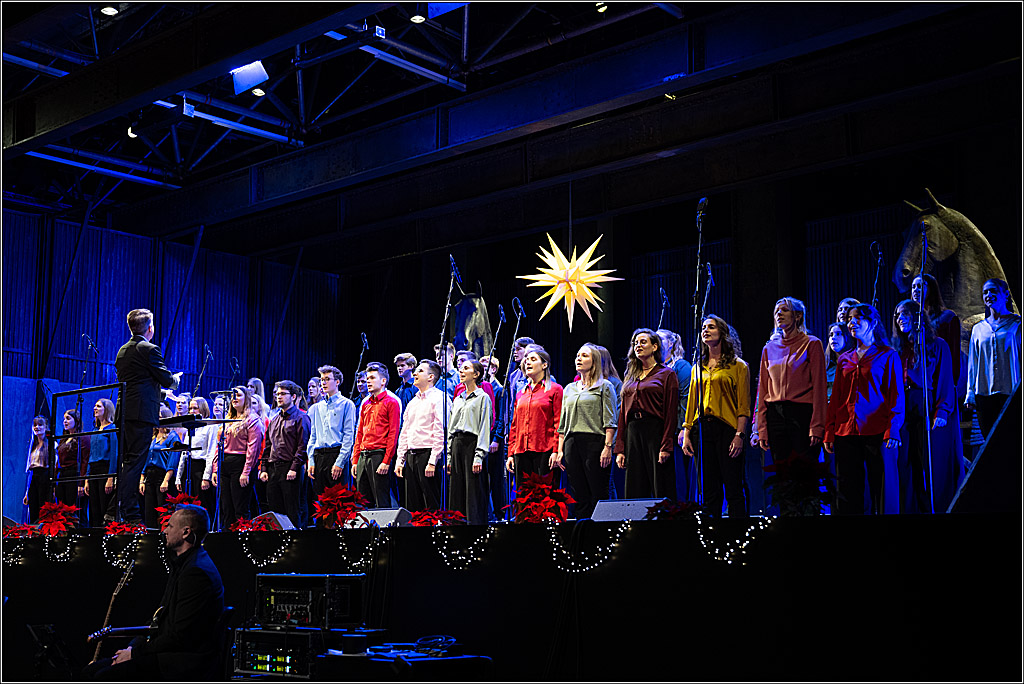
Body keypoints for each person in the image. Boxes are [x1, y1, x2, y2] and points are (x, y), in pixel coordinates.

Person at [83, 505, 224, 680]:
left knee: (101, 676)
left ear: (186, 532)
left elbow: (180, 636)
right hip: (169, 652)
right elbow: (159, 619)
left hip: (183, 660)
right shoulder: (183, 564)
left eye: (170, 526)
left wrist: (135, 654)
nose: (164, 530)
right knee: (90, 671)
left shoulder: (196, 572)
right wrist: (132, 649)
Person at [825, 303, 904, 515]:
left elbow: (895, 396)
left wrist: (893, 429)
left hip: (877, 431)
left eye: (858, 317)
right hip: (845, 432)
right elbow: (836, 400)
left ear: (873, 322)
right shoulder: (844, 359)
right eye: (850, 318)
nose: (852, 322)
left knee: (881, 490)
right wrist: (829, 431)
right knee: (849, 491)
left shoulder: (888, 355)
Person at [891, 300, 960, 513]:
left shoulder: (937, 345)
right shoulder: (895, 348)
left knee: (926, 463)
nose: (900, 319)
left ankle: (931, 509)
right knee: (904, 462)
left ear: (916, 316)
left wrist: (942, 409)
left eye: (904, 314)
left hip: (924, 403)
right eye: (897, 315)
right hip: (902, 404)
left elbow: (945, 379)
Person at [115, 308, 181, 524]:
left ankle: (115, 510)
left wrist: (161, 394)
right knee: (135, 462)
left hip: (124, 410)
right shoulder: (149, 349)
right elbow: (165, 378)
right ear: (150, 328)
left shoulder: (123, 350)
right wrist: (174, 382)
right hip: (141, 414)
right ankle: (131, 514)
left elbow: (138, 383)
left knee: (126, 462)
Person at [680, 318, 748, 515]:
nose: (705, 331)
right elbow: (692, 403)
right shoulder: (697, 368)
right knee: (709, 489)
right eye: (703, 328)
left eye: (711, 327)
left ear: (723, 333)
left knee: (733, 486)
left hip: (727, 428)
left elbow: (743, 405)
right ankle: (713, 535)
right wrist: (686, 433)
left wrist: (740, 435)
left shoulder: (738, 366)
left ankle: (738, 534)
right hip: (702, 429)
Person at [755, 298, 828, 467]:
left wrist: (817, 425)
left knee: (805, 474)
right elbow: (763, 390)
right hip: (776, 416)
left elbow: (819, 388)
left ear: (798, 316)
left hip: (802, 414)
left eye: (784, 310)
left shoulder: (812, 343)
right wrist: (762, 429)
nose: (779, 314)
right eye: (776, 311)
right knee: (782, 475)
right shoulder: (769, 349)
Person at [617, 328, 679, 501]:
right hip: (633, 432)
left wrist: (666, 445)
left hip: (655, 431)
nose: (638, 346)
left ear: (654, 347)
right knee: (635, 487)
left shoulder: (666, 374)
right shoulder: (630, 375)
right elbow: (623, 414)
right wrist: (620, 448)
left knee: (661, 485)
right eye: (635, 343)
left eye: (643, 342)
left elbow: (670, 412)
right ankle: (635, 527)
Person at [558, 344, 617, 519]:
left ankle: (601, 532)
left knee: (597, 490)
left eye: (584, 355)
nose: (579, 358)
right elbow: (563, 424)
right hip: (571, 443)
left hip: (594, 442)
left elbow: (610, 420)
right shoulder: (569, 388)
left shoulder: (605, 386)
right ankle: (581, 531)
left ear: (594, 361)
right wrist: (560, 450)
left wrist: (608, 446)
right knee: (578, 493)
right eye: (577, 355)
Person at [966, 278, 1022, 439]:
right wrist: (970, 393)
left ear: (1005, 295)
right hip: (984, 395)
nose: (988, 295)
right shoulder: (978, 329)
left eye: (993, 291)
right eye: (985, 292)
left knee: (1012, 440)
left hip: (1011, 393)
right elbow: (973, 364)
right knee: (990, 442)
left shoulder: (1017, 325)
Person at [506, 346, 563, 498]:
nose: (527, 362)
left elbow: (559, 423)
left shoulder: (555, 390)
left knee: (545, 497)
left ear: (544, 365)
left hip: (545, 450)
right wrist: (510, 454)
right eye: (526, 360)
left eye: (533, 359)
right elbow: (515, 425)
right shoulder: (521, 393)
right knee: (523, 497)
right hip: (521, 451)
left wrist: (556, 451)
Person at [396, 360, 449, 512]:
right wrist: (400, 461)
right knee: (413, 505)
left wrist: (433, 461)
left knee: (431, 503)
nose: (414, 374)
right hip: (412, 457)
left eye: (419, 371)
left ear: (431, 377)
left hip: (428, 454)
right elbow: (405, 432)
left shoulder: (439, 398)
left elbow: (440, 432)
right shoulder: (413, 402)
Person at [306, 365, 357, 517]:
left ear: (338, 381)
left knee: (339, 503)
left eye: (327, 379)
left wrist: (340, 462)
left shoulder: (346, 404)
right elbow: (313, 436)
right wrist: (311, 460)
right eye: (322, 380)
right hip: (319, 456)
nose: (323, 383)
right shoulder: (317, 407)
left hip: (336, 454)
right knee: (320, 504)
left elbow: (348, 436)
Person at [259, 381, 311, 528]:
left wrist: (294, 468)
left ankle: (295, 543)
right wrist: (264, 468)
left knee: (292, 509)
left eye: (283, 394)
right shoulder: (275, 419)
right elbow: (268, 446)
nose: (278, 397)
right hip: (273, 469)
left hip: (290, 468)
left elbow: (303, 446)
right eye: (277, 394)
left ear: (293, 396)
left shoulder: (301, 417)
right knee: (275, 511)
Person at [211, 386, 264, 529]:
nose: (234, 398)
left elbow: (253, 449)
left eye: (238, 395)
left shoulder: (252, 420)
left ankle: (241, 539)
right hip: (225, 463)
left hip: (241, 464)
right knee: (226, 507)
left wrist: (246, 471)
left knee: (240, 508)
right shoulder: (228, 418)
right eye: (233, 395)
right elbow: (218, 446)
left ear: (246, 398)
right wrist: (215, 469)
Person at [351, 362, 402, 508]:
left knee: (382, 498)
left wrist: (386, 460)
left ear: (383, 381)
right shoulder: (366, 403)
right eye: (367, 378)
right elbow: (360, 432)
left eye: (372, 378)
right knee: (362, 500)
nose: (368, 381)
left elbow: (393, 433)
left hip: (378, 454)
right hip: (363, 455)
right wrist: (355, 460)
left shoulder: (392, 402)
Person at [447, 359, 492, 524]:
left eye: (466, 368)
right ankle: (456, 528)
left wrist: (479, 455)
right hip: (457, 444)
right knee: (456, 491)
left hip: (472, 444)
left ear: (476, 374)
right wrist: (450, 456)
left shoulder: (482, 397)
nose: (461, 371)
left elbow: (484, 427)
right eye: (460, 368)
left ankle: (475, 527)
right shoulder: (458, 399)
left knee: (473, 490)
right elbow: (451, 428)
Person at [912, 273, 962, 387]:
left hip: (940, 377)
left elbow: (954, 353)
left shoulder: (947, 317)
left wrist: (951, 382)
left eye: (920, 286)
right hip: (918, 381)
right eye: (913, 287)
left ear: (931, 289)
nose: (915, 290)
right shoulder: (911, 320)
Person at [175, 396, 219, 517]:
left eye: (195, 408)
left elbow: (211, 452)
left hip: (202, 467)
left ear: (203, 409)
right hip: (190, 467)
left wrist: (206, 477)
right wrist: (179, 476)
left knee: (203, 503)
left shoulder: (211, 426)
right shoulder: (190, 426)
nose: (192, 411)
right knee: (190, 504)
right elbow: (185, 452)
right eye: (190, 408)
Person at [140, 405, 179, 530]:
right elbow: (145, 459)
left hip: (163, 476)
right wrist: (142, 479)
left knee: (162, 509)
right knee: (149, 509)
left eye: (159, 417)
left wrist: (166, 480)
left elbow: (172, 460)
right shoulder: (152, 437)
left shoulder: (173, 437)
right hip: (150, 476)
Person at [85, 398, 118, 526]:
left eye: (98, 406)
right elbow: (90, 454)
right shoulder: (94, 430)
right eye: (95, 406)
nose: (95, 408)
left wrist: (110, 477)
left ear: (107, 409)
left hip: (105, 469)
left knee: (104, 504)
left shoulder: (112, 428)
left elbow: (114, 454)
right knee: (93, 507)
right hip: (93, 470)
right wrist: (87, 478)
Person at [54, 409, 89, 525]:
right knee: (62, 508)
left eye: (68, 418)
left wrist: (81, 483)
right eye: (64, 419)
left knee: (74, 508)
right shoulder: (63, 439)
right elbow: (58, 462)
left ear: (77, 421)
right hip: (63, 475)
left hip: (74, 474)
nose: (65, 421)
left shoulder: (82, 437)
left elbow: (85, 461)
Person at [23, 415, 52, 523]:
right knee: (33, 505)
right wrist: (27, 491)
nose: (37, 427)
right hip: (33, 475)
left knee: (42, 504)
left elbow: (55, 464)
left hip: (44, 474)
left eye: (40, 425)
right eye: (35, 425)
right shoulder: (32, 445)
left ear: (45, 427)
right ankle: (33, 530)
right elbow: (30, 467)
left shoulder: (51, 444)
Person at [825, 322, 856, 401]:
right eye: (831, 335)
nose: (833, 338)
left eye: (838, 334)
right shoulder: (825, 364)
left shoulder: (855, 363)